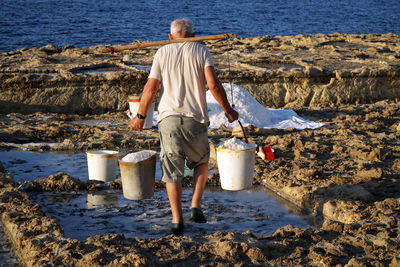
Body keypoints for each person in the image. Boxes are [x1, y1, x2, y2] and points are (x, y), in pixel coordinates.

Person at [130, 18, 238, 235]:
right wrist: (228, 110)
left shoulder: (162, 52)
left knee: (172, 170)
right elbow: (214, 85)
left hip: (168, 120)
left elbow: (151, 88)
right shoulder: (201, 50)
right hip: (195, 119)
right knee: (202, 161)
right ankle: (196, 205)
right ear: (193, 35)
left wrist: (140, 116)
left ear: (170, 37)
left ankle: (177, 220)